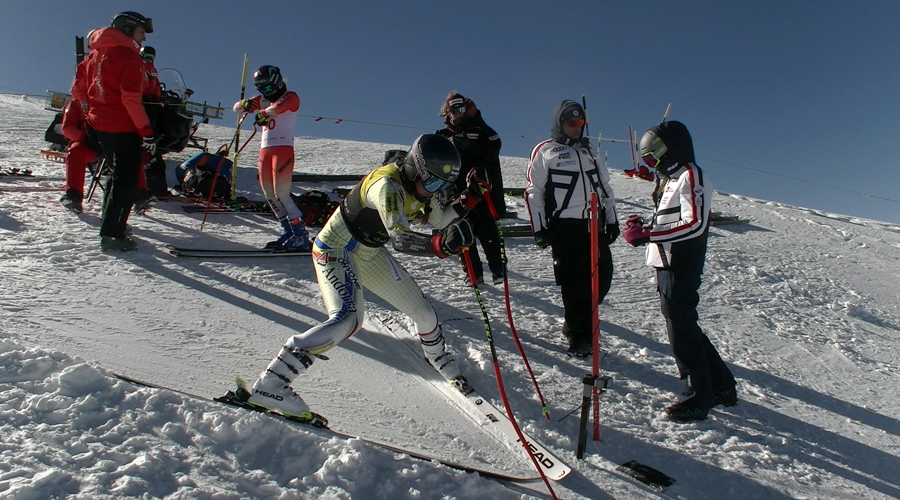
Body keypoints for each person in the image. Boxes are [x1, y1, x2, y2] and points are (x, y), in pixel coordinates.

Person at [240, 134, 476, 423]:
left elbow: (442, 220)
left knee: (424, 312)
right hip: (336, 249)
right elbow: (401, 239)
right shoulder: (387, 185)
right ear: (416, 168)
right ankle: (270, 384)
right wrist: (440, 246)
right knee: (348, 319)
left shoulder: (420, 188)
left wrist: (471, 197)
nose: (434, 191)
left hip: (368, 254)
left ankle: (437, 356)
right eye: (433, 183)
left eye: (442, 185)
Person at [622, 120, 737, 421]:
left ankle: (701, 395)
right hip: (667, 262)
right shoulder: (672, 179)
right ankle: (722, 386)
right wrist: (643, 226)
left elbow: (694, 223)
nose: (652, 161)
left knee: (682, 328)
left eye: (655, 153)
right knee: (683, 324)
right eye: (648, 156)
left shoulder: (690, 174)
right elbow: (671, 222)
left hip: (682, 262)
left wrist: (648, 235)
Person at [524, 100, 618, 357]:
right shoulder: (546, 151)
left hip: (594, 224)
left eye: (580, 123)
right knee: (574, 283)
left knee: (603, 277)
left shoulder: (589, 151)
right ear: (560, 124)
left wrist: (612, 220)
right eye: (571, 123)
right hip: (565, 226)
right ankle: (579, 335)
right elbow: (534, 192)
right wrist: (539, 228)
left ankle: (577, 320)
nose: (577, 128)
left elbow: (605, 188)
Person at [70, 11, 156, 252]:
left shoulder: (94, 54)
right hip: (123, 126)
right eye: (141, 33)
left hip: (98, 125)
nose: (144, 39)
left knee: (117, 176)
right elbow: (130, 99)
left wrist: (95, 109)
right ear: (129, 30)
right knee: (126, 181)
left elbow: (78, 90)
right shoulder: (129, 57)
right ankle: (112, 235)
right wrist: (146, 130)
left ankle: (113, 225)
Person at [232, 65, 309, 251]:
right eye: (261, 89)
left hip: (282, 149)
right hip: (265, 150)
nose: (266, 92)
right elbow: (236, 108)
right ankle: (288, 230)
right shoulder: (263, 99)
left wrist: (262, 113)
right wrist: (245, 105)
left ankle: (300, 234)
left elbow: (279, 108)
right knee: (269, 195)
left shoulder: (290, 96)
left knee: (281, 193)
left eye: (268, 88)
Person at [436, 91, 505, 285]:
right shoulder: (443, 135)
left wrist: (469, 144)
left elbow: (494, 147)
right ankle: (473, 273)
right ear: (447, 112)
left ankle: (498, 270)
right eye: (453, 110)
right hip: (454, 193)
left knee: (488, 231)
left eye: (461, 108)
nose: (457, 113)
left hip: (482, 192)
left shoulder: (482, 130)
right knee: (461, 232)